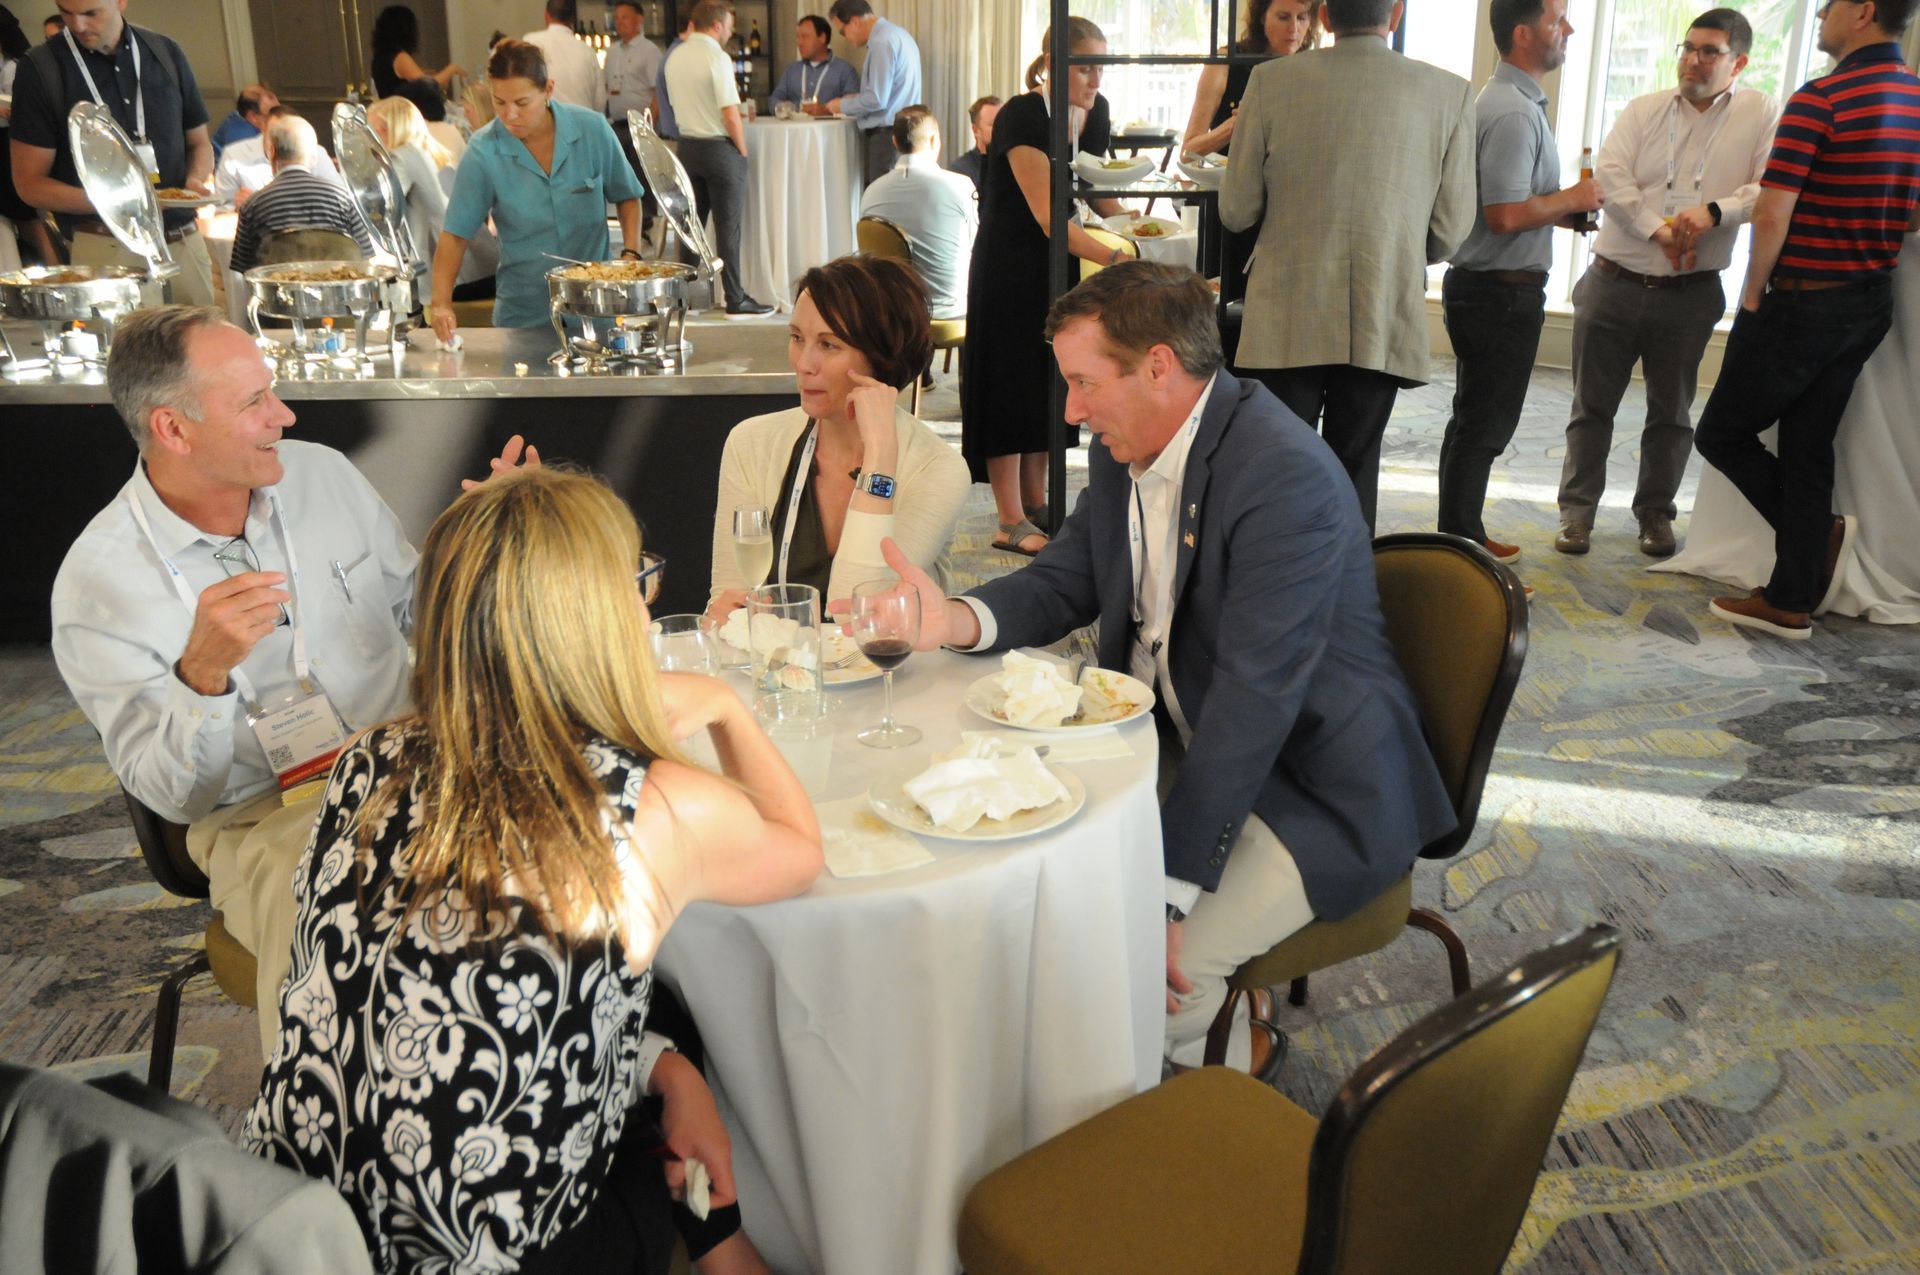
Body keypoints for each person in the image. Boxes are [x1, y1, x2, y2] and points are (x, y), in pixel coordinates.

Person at [246, 465, 818, 1275]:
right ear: (595, 618)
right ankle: (722, 1238)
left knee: (622, 1009)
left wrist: (663, 1067)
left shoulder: (366, 760)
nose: (644, 605)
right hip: (501, 1257)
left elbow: (438, 989)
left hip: (281, 1230)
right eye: (637, 584)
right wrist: (729, 707)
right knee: (686, 1005)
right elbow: (799, 851)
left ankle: (717, 1230)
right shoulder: (652, 804)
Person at [889, 262, 1454, 1075]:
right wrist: (952, 618)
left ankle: (1231, 1066)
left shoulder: (1281, 476)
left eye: (1084, 383)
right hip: (1184, 749)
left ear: (1158, 366)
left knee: (1139, 983)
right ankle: (1216, 1018)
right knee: (1027, 892)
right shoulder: (1130, 445)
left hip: (1315, 784)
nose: (1072, 411)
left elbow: (1252, 705)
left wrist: (1166, 893)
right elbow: (1066, 579)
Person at [49, 307, 530, 1058]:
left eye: (271, 391)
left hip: (414, 762)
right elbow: (174, 799)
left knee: (570, 830)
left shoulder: (321, 475)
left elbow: (420, 615)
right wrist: (202, 676)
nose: (285, 414)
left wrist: (484, 538)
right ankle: (347, 1111)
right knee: (358, 891)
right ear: (172, 428)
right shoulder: (99, 585)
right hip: (262, 817)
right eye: (254, 402)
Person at [1694, 0, 1920, 640]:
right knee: (1807, 444)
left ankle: (1813, 539)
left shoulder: (1820, 99)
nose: (1820, 13)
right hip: (1869, 301)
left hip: (1802, 301)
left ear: (1864, 11)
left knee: (1721, 433)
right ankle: (1790, 597)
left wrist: (1752, 296)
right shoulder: (1915, 99)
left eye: (1831, 4)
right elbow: (1913, 215)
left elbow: (1773, 212)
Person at [1221, 0, 1474, 533]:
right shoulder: (1449, 92)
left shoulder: (1271, 81)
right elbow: (1451, 228)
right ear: (1395, 15)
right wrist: (1400, 249)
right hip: (1381, 299)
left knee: (1280, 462)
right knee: (1355, 463)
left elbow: (1237, 209)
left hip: (1286, 302)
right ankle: (1350, 577)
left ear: (1325, 18)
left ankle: (1278, 571)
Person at [1554, 8, 1778, 560]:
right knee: (1590, 406)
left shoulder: (1760, 113)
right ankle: (1576, 512)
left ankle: (1655, 513)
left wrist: (1713, 212)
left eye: (1709, 51)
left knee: (1672, 414)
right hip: (1613, 280)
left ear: (1738, 63)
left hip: (1689, 292)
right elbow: (1611, 177)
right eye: (1688, 47)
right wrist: (1660, 230)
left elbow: (1768, 187)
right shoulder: (1645, 109)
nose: (1692, 60)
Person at [707, 254, 968, 613]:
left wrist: (880, 457)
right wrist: (724, 617)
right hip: (779, 651)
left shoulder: (938, 469)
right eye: (797, 337)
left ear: (882, 358)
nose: (803, 364)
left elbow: (857, 612)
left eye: (828, 345)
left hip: (885, 651)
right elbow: (727, 603)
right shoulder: (751, 444)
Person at [1438, 0, 1602, 566]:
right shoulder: (1511, 110)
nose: (1570, 29)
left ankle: (1459, 533)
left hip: (1492, 289)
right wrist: (1574, 197)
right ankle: (1460, 545)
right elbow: (1505, 215)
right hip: (1499, 293)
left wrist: (1564, 212)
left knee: (1474, 419)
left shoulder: (1514, 101)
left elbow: (1512, 202)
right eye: (1558, 20)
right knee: (1484, 425)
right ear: (1524, 34)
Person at [962, 17, 1133, 557]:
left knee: (1047, 379)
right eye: (1086, 68)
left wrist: (1140, 226)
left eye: (1101, 67)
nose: (1096, 79)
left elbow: (1097, 193)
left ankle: (1036, 502)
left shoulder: (1096, 112)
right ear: (1054, 65)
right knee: (1009, 382)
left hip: (1059, 267)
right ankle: (1009, 518)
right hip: (1010, 265)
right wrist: (1117, 256)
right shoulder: (1023, 114)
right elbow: (1047, 216)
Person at [432, 39, 644, 340]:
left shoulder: (592, 130)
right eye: (499, 102)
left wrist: (631, 254)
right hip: (523, 313)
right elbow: (455, 234)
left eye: (522, 103)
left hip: (595, 309)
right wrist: (441, 303)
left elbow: (628, 196)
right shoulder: (482, 152)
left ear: (548, 90)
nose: (510, 115)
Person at [8, 0, 218, 305]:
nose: (77, 25)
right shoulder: (42, 67)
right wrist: (122, 204)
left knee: (201, 335)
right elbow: (30, 184)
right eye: (66, 12)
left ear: (121, 2)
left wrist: (195, 180)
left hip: (182, 241)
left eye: (90, 13)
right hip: (105, 248)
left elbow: (199, 144)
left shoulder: (165, 53)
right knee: (121, 338)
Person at [1183, 0, 1317, 321]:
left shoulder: (1313, 68)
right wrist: (1236, 126)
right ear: (1260, 18)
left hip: (1290, 211)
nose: (1294, 28)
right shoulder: (1227, 62)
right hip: (1231, 208)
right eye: (1283, 17)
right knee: (1224, 316)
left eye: (1302, 18)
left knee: (1281, 317)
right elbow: (1189, 151)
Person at [662, 0, 772, 316]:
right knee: (727, 227)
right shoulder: (717, 57)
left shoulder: (674, 56)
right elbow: (730, 113)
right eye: (729, 26)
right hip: (718, 149)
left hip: (686, 148)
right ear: (717, 25)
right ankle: (735, 298)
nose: (730, 32)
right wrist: (742, 151)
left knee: (689, 226)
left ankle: (682, 297)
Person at [859, 105, 976, 320]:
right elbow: (976, 246)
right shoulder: (959, 187)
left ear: (894, 142)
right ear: (933, 140)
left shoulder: (871, 193)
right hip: (947, 313)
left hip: (891, 315)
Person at [227, 114, 374, 275]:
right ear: (314, 157)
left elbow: (246, 271)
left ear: (272, 152)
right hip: (336, 289)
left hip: (277, 290)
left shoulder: (253, 205)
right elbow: (364, 259)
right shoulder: (344, 199)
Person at [822, 0, 921, 188]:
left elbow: (876, 99)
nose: (845, 38)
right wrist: (857, 99)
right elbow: (889, 92)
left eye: (842, 31)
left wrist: (840, 105)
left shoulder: (881, 42)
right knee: (898, 194)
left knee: (883, 197)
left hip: (887, 137)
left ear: (855, 22)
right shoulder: (899, 34)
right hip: (905, 130)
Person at [368, 94, 455, 273]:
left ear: (388, 129)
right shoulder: (433, 151)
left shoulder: (400, 157)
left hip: (438, 261)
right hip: (469, 256)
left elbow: (380, 205)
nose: (369, 141)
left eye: (372, 131)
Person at [0, 3, 58, 270]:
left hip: (7, 142)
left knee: (27, 219)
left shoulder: (18, 64)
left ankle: (55, 271)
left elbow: (21, 107)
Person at [214, 103, 345, 207]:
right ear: (263, 129)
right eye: (275, 134)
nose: (281, 142)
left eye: (289, 136)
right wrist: (240, 207)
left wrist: (256, 204)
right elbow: (221, 209)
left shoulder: (315, 151)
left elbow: (340, 198)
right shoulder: (234, 156)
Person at [605, 0, 662, 237]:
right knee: (621, 178)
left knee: (642, 176)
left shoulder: (649, 51)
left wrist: (649, 125)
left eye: (625, 17)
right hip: (616, 124)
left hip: (640, 124)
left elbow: (658, 91)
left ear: (639, 20)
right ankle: (628, 226)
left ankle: (647, 227)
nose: (619, 22)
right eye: (617, 18)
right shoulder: (612, 52)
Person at [525, 0, 606, 114]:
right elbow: (600, 101)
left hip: (548, 120)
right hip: (583, 120)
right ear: (572, 19)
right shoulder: (588, 51)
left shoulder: (531, 42)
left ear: (546, 15)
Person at [369, 3, 462, 100]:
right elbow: (428, 86)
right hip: (403, 108)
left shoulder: (379, 58)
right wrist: (451, 69)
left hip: (389, 107)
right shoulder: (400, 58)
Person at [768, 14, 856, 113]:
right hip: (795, 122)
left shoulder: (845, 71)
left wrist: (825, 110)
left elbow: (853, 106)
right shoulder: (791, 70)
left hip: (827, 123)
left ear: (822, 38)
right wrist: (784, 107)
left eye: (805, 37)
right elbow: (773, 100)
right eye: (798, 37)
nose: (799, 43)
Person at [945, 94, 999, 192]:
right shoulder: (960, 172)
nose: (1001, 127)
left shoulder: (1015, 165)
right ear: (976, 130)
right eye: (993, 124)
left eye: (1004, 122)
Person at [209, 82, 273, 160]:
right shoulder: (243, 139)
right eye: (272, 115)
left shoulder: (241, 115)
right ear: (253, 117)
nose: (279, 119)